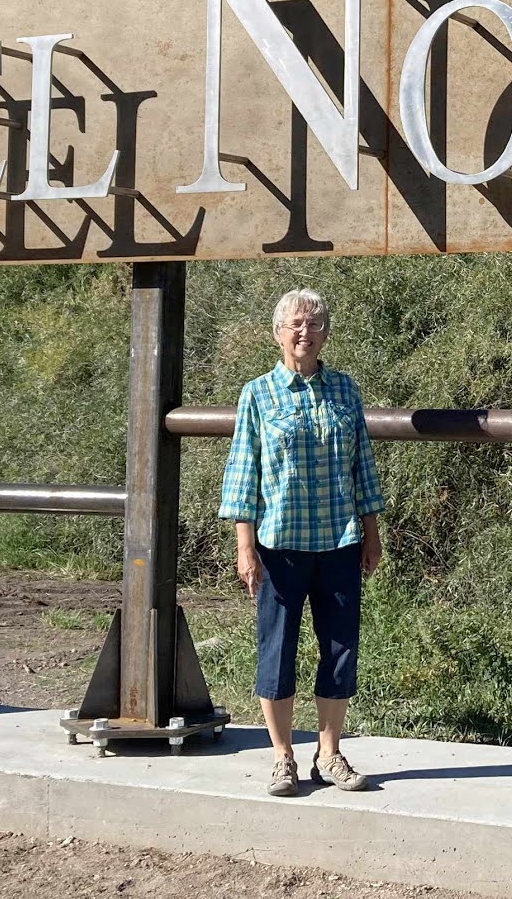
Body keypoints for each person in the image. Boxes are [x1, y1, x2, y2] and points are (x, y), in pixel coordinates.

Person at [219, 288, 384, 797]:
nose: (303, 332)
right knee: (277, 650)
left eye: (313, 324)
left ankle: (329, 753)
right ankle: (282, 757)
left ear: (325, 334)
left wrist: (372, 531)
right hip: (279, 545)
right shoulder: (258, 394)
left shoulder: (344, 390)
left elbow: (362, 465)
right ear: (277, 334)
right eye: (294, 324)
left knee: (339, 649)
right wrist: (245, 546)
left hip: (339, 540)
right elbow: (242, 473)